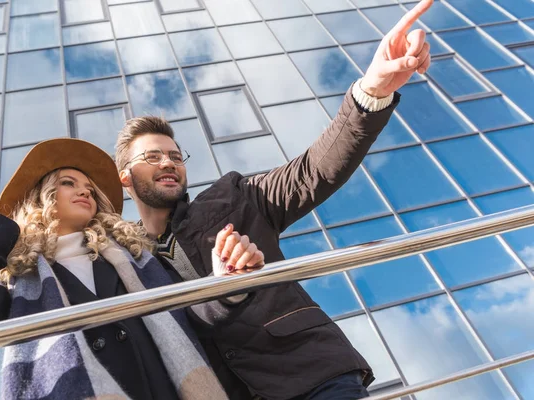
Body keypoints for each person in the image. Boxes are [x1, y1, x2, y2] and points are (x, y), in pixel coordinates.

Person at [114, 1, 434, 399]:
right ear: (124, 177)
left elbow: (313, 170)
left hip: (312, 377)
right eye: (152, 156)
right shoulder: (122, 259)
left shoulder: (233, 197)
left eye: (176, 156)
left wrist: (372, 91)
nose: (168, 162)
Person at [0, 138, 265, 400]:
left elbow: (189, 315)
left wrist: (225, 282)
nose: (84, 190)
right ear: (40, 198)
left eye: (90, 188)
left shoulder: (138, 259)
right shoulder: (23, 285)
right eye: (68, 183)